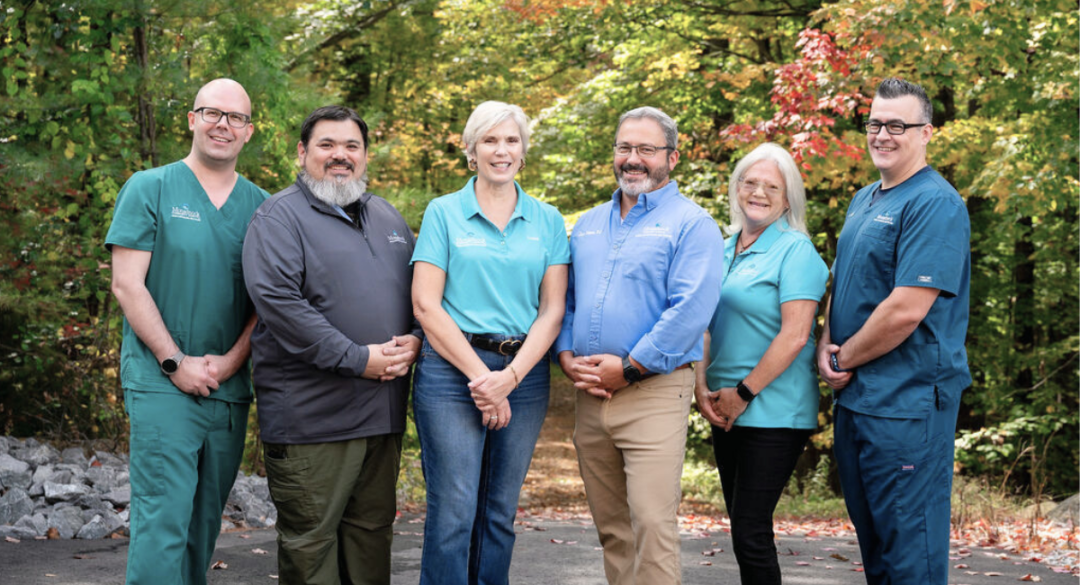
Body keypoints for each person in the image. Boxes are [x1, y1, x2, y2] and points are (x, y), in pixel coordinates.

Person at [242, 105, 421, 585]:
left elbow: (422, 295)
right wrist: (358, 358)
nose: (340, 155)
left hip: (381, 415)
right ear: (303, 153)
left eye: (351, 146)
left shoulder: (387, 216)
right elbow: (280, 304)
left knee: (370, 538)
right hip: (312, 421)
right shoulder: (279, 218)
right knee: (311, 547)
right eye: (327, 145)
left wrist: (418, 340)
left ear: (364, 156)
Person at [106, 78, 268, 585]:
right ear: (192, 119)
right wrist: (175, 362)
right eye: (212, 113)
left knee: (203, 526)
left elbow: (267, 303)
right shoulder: (149, 187)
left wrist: (232, 362)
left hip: (227, 387)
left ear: (249, 132)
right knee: (164, 520)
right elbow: (127, 285)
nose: (223, 124)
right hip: (162, 382)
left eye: (235, 118)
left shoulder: (264, 207)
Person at [555, 106, 724, 585]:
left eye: (646, 149)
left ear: (671, 156)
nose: (634, 159)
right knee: (612, 530)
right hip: (589, 395)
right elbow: (566, 301)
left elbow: (690, 312)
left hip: (653, 393)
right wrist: (567, 358)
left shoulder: (693, 225)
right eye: (625, 148)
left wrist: (628, 368)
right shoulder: (587, 224)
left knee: (651, 524)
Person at [816, 78, 971, 585]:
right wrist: (824, 344)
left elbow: (906, 309)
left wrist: (844, 359)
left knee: (911, 556)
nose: (883, 134)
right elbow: (841, 281)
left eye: (897, 125)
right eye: (875, 124)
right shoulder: (864, 199)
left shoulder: (935, 203)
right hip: (859, 403)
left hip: (907, 407)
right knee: (878, 550)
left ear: (927, 132)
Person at [410, 101, 569, 585]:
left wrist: (510, 377)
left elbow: (553, 310)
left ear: (524, 151)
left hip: (523, 371)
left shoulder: (548, 220)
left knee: (499, 512)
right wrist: (483, 379)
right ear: (470, 150)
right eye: (489, 140)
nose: (501, 150)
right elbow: (426, 306)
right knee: (454, 511)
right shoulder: (443, 212)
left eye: (511, 140)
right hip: (451, 371)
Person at [694, 143, 828, 585]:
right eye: (750, 182)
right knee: (743, 530)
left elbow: (795, 335)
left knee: (750, 531)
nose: (759, 192)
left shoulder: (796, 251)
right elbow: (704, 325)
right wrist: (701, 386)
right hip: (724, 405)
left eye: (772, 186)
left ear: (789, 199)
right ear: (736, 189)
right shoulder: (723, 246)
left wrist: (744, 392)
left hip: (772, 409)